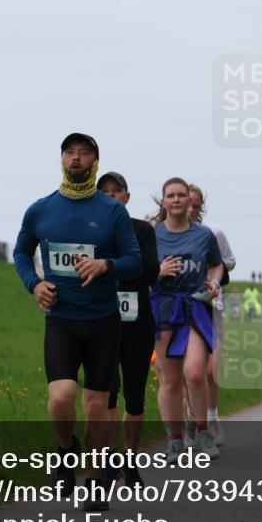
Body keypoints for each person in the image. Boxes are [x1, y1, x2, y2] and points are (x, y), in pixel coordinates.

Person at [13, 133, 142, 511]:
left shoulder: (111, 211)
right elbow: (21, 253)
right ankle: (66, 450)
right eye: (70, 152)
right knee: (61, 396)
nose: (76, 159)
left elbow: (134, 259)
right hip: (62, 320)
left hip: (103, 320)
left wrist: (107, 265)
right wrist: (34, 284)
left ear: (95, 161)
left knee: (97, 408)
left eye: (84, 154)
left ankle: (96, 478)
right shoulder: (41, 209)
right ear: (62, 159)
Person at [150, 178, 224, 463]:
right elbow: (140, 272)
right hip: (164, 307)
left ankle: (204, 432)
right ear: (163, 202)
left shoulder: (204, 235)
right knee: (170, 380)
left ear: (190, 202)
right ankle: (175, 440)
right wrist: (158, 271)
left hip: (195, 304)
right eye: (171, 195)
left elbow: (216, 265)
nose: (178, 200)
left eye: (182, 195)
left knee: (195, 372)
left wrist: (214, 282)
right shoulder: (153, 236)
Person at [96, 171, 160, 487]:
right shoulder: (90, 232)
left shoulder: (142, 230)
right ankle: (110, 461)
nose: (111, 196)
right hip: (101, 324)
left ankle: (131, 460)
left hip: (138, 324)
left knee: (134, 398)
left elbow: (149, 271)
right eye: (104, 191)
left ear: (127, 196)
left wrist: (120, 254)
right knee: (107, 394)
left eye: (116, 191)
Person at [186, 183, 236, 447]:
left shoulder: (213, 232)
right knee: (190, 369)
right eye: (187, 203)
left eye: (195, 204)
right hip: (182, 308)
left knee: (210, 369)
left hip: (211, 307)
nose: (190, 209)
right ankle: (193, 417)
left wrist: (212, 268)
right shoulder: (170, 235)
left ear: (200, 207)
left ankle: (212, 416)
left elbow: (230, 260)